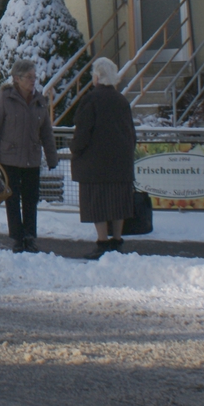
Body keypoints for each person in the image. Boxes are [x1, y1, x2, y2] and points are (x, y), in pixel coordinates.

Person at [0, 57, 58, 252]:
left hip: (32, 159)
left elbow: (46, 133)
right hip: (9, 159)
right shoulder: (5, 99)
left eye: (34, 76)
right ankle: (17, 237)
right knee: (13, 200)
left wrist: (52, 157)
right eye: (29, 77)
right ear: (17, 78)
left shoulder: (39, 101)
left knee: (31, 200)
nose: (33, 80)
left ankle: (30, 236)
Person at [70, 56, 138, 257]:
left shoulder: (91, 99)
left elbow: (83, 132)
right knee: (118, 202)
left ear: (97, 77)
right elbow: (130, 132)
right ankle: (117, 240)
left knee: (97, 203)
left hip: (95, 166)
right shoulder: (122, 100)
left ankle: (102, 242)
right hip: (120, 164)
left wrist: (75, 148)